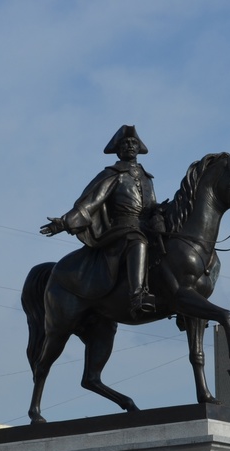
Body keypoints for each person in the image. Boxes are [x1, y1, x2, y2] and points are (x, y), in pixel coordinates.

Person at [40, 125, 162, 317]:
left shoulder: (147, 178)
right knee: (138, 242)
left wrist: (159, 216)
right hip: (122, 229)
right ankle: (137, 295)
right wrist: (63, 223)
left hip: (145, 227)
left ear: (139, 148)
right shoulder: (113, 174)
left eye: (134, 143)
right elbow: (91, 202)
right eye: (125, 143)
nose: (130, 145)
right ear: (118, 149)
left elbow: (152, 205)